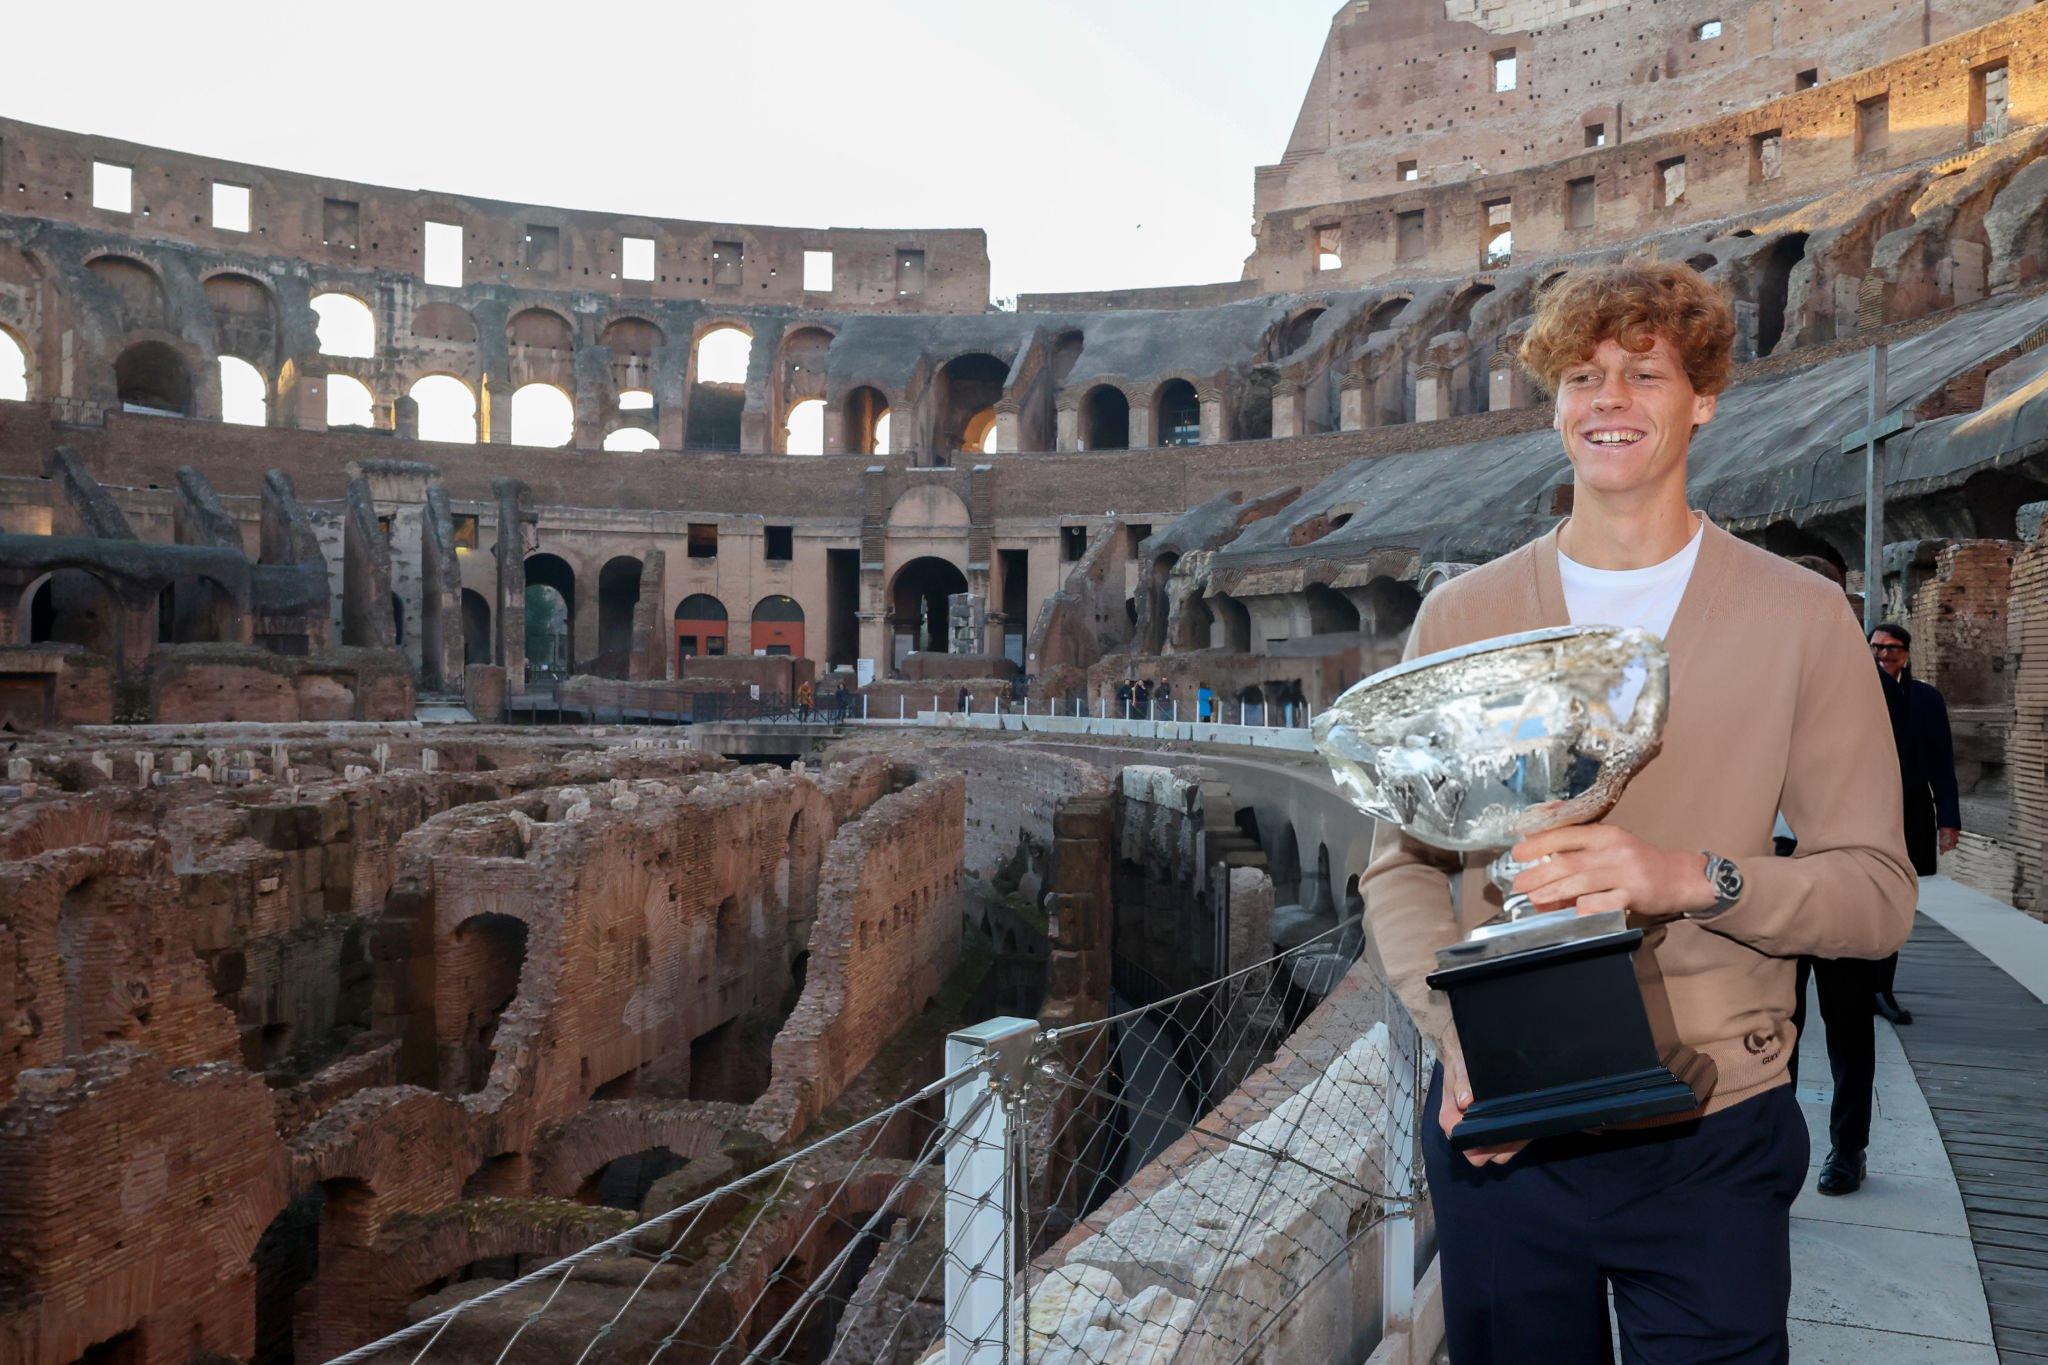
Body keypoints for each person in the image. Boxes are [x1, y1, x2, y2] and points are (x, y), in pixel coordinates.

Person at [1363, 262, 1915, 1363]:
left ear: (1700, 396)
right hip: (1502, 1130)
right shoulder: (1461, 613)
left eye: (1641, 374)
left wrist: (1688, 880)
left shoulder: (1799, 618)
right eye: (1580, 375)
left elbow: (1875, 895)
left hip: (1712, 1129)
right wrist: (1454, 1035)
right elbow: (1401, 869)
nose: (1605, 399)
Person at [1868, 621, 1959, 1025]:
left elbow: (1942, 762)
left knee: (1897, 899)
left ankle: (1880, 987)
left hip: (1911, 811)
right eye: (1877, 648)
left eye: (1892, 649)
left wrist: (1949, 820)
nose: (1884, 655)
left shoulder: (1926, 698)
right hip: (1861, 811)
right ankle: (1858, 982)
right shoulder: (1852, 691)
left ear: (1906, 653)